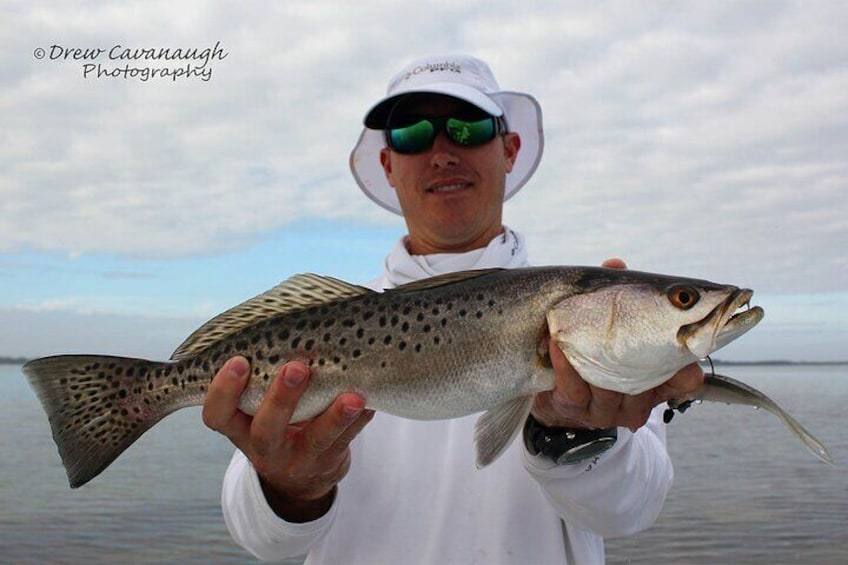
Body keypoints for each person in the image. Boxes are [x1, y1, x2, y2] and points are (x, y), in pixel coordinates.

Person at [202, 54, 704, 564]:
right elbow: (259, 539)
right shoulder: (323, 328)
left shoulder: (601, 342)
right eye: (412, 134)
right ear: (388, 165)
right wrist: (289, 487)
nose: (441, 152)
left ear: (509, 149)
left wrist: (574, 436)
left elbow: (631, 510)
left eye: (468, 128)